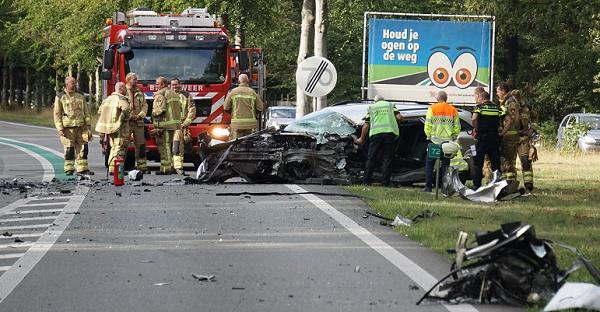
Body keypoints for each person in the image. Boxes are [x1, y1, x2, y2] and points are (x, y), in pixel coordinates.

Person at [355, 95, 403, 186]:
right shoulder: (390, 105)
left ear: (375, 101)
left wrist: (361, 138)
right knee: (387, 158)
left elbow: (366, 125)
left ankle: (366, 181)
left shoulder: (372, 108)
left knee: (371, 158)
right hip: (389, 134)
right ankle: (385, 183)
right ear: (383, 100)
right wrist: (401, 121)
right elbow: (399, 117)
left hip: (375, 135)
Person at [53, 76, 94, 176]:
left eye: (74, 83)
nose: (74, 85)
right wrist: (59, 128)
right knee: (69, 148)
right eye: (72, 83)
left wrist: (88, 124)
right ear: (66, 84)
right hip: (68, 127)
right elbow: (57, 114)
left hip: (81, 126)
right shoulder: (60, 96)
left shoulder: (80, 95)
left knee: (84, 147)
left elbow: (86, 110)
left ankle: (82, 168)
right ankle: (69, 168)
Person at [422, 91, 461, 192]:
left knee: (430, 165)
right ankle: (445, 188)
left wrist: (429, 136)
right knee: (445, 166)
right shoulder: (453, 109)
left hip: (434, 142)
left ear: (437, 99)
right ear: (446, 99)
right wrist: (453, 137)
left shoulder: (432, 108)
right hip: (447, 144)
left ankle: (428, 187)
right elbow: (457, 127)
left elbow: (427, 125)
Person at [95, 82, 130, 174]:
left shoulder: (107, 99)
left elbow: (100, 111)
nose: (126, 90)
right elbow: (126, 109)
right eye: (125, 88)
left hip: (109, 128)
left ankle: (112, 168)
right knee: (119, 148)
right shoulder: (121, 99)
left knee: (113, 148)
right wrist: (124, 117)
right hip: (119, 127)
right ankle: (116, 169)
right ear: (121, 89)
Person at [472, 87, 502, 190]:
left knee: (478, 162)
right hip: (494, 138)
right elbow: (509, 119)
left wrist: (476, 129)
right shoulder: (497, 107)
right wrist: (503, 131)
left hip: (482, 138)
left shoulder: (480, 107)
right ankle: (497, 184)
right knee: (496, 163)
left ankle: (476, 185)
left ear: (481, 97)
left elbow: (474, 118)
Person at [152, 76, 182, 175]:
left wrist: (153, 113)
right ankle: (172, 166)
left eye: (158, 83)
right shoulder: (174, 94)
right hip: (174, 125)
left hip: (164, 125)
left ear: (164, 84)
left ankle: (165, 168)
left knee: (164, 147)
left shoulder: (161, 94)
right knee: (170, 146)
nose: (156, 86)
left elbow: (160, 110)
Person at [223, 74, 264, 139]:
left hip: (236, 125)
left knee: (235, 145)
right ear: (248, 81)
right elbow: (260, 108)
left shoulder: (233, 92)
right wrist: (254, 113)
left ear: (238, 82)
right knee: (250, 144)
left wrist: (232, 113)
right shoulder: (253, 92)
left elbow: (226, 108)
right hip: (250, 125)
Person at [170, 78, 196, 175]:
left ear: (179, 84)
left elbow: (192, 110)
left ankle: (178, 167)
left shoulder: (186, 95)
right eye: (173, 85)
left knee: (177, 145)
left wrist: (186, 123)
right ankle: (170, 167)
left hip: (180, 124)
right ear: (170, 85)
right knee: (166, 146)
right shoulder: (166, 95)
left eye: (176, 84)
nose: (174, 86)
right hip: (168, 125)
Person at [513, 90, 537, 191]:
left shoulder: (527, 108)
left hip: (523, 139)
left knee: (526, 161)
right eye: (515, 96)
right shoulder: (508, 106)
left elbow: (535, 118)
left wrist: (532, 129)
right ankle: (510, 185)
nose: (517, 98)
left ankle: (528, 185)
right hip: (511, 139)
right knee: (509, 164)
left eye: (518, 96)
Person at [125, 73, 149, 173]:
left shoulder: (140, 91)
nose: (136, 81)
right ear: (128, 80)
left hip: (138, 122)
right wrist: (129, 116)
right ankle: (120, 167)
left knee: (141, 145)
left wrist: (140, 115)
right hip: (126, 122)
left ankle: (142, 167)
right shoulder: (123, 90)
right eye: (134, 79)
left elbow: (145, 105)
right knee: (123, 144)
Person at [497, 83, 521, 183]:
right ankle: (507, 182)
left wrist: (503, 132)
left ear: (503, 91)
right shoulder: (505, 102)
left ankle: (511, 183)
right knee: (506, 161)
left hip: (510, 137)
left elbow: (513, 119)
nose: (497, 94)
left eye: (497, 91)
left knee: (510, 162)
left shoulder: (510, 102)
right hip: (507, 136)